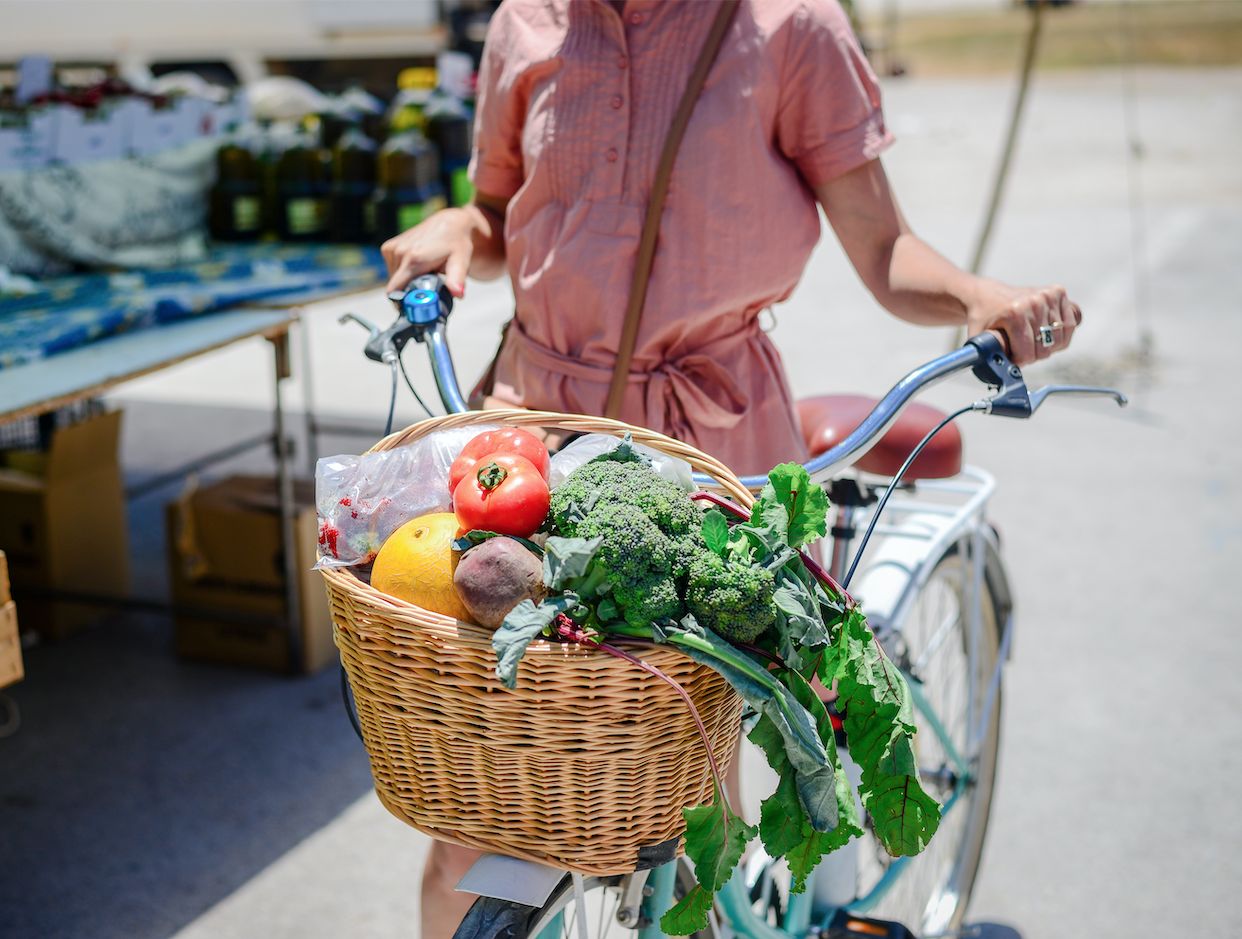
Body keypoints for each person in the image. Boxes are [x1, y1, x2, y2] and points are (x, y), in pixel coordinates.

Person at [382, 1, 1081, 935]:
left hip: (709, 447)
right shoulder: (527, 22)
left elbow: (882, 248)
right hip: (532, 437)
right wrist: (457, 230)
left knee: (684, 799)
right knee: (484, 813)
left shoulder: (791, 27)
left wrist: (979, 296)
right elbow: (501, 219)